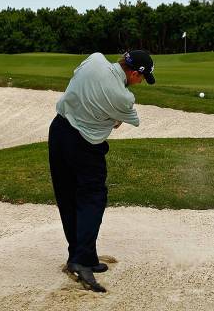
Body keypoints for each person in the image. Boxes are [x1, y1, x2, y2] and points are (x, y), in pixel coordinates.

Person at [48, 50, 155, 292]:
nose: (140, 83)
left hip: (58, 131)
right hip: (85, 147)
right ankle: (82, 261)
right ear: (135, 72)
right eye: (142, 78)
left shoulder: (94, 59)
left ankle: (79, 255)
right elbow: (127, 120)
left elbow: (76, 79)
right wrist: (110, 118)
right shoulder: (123, 97)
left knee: (67, 196)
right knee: (92, 198)